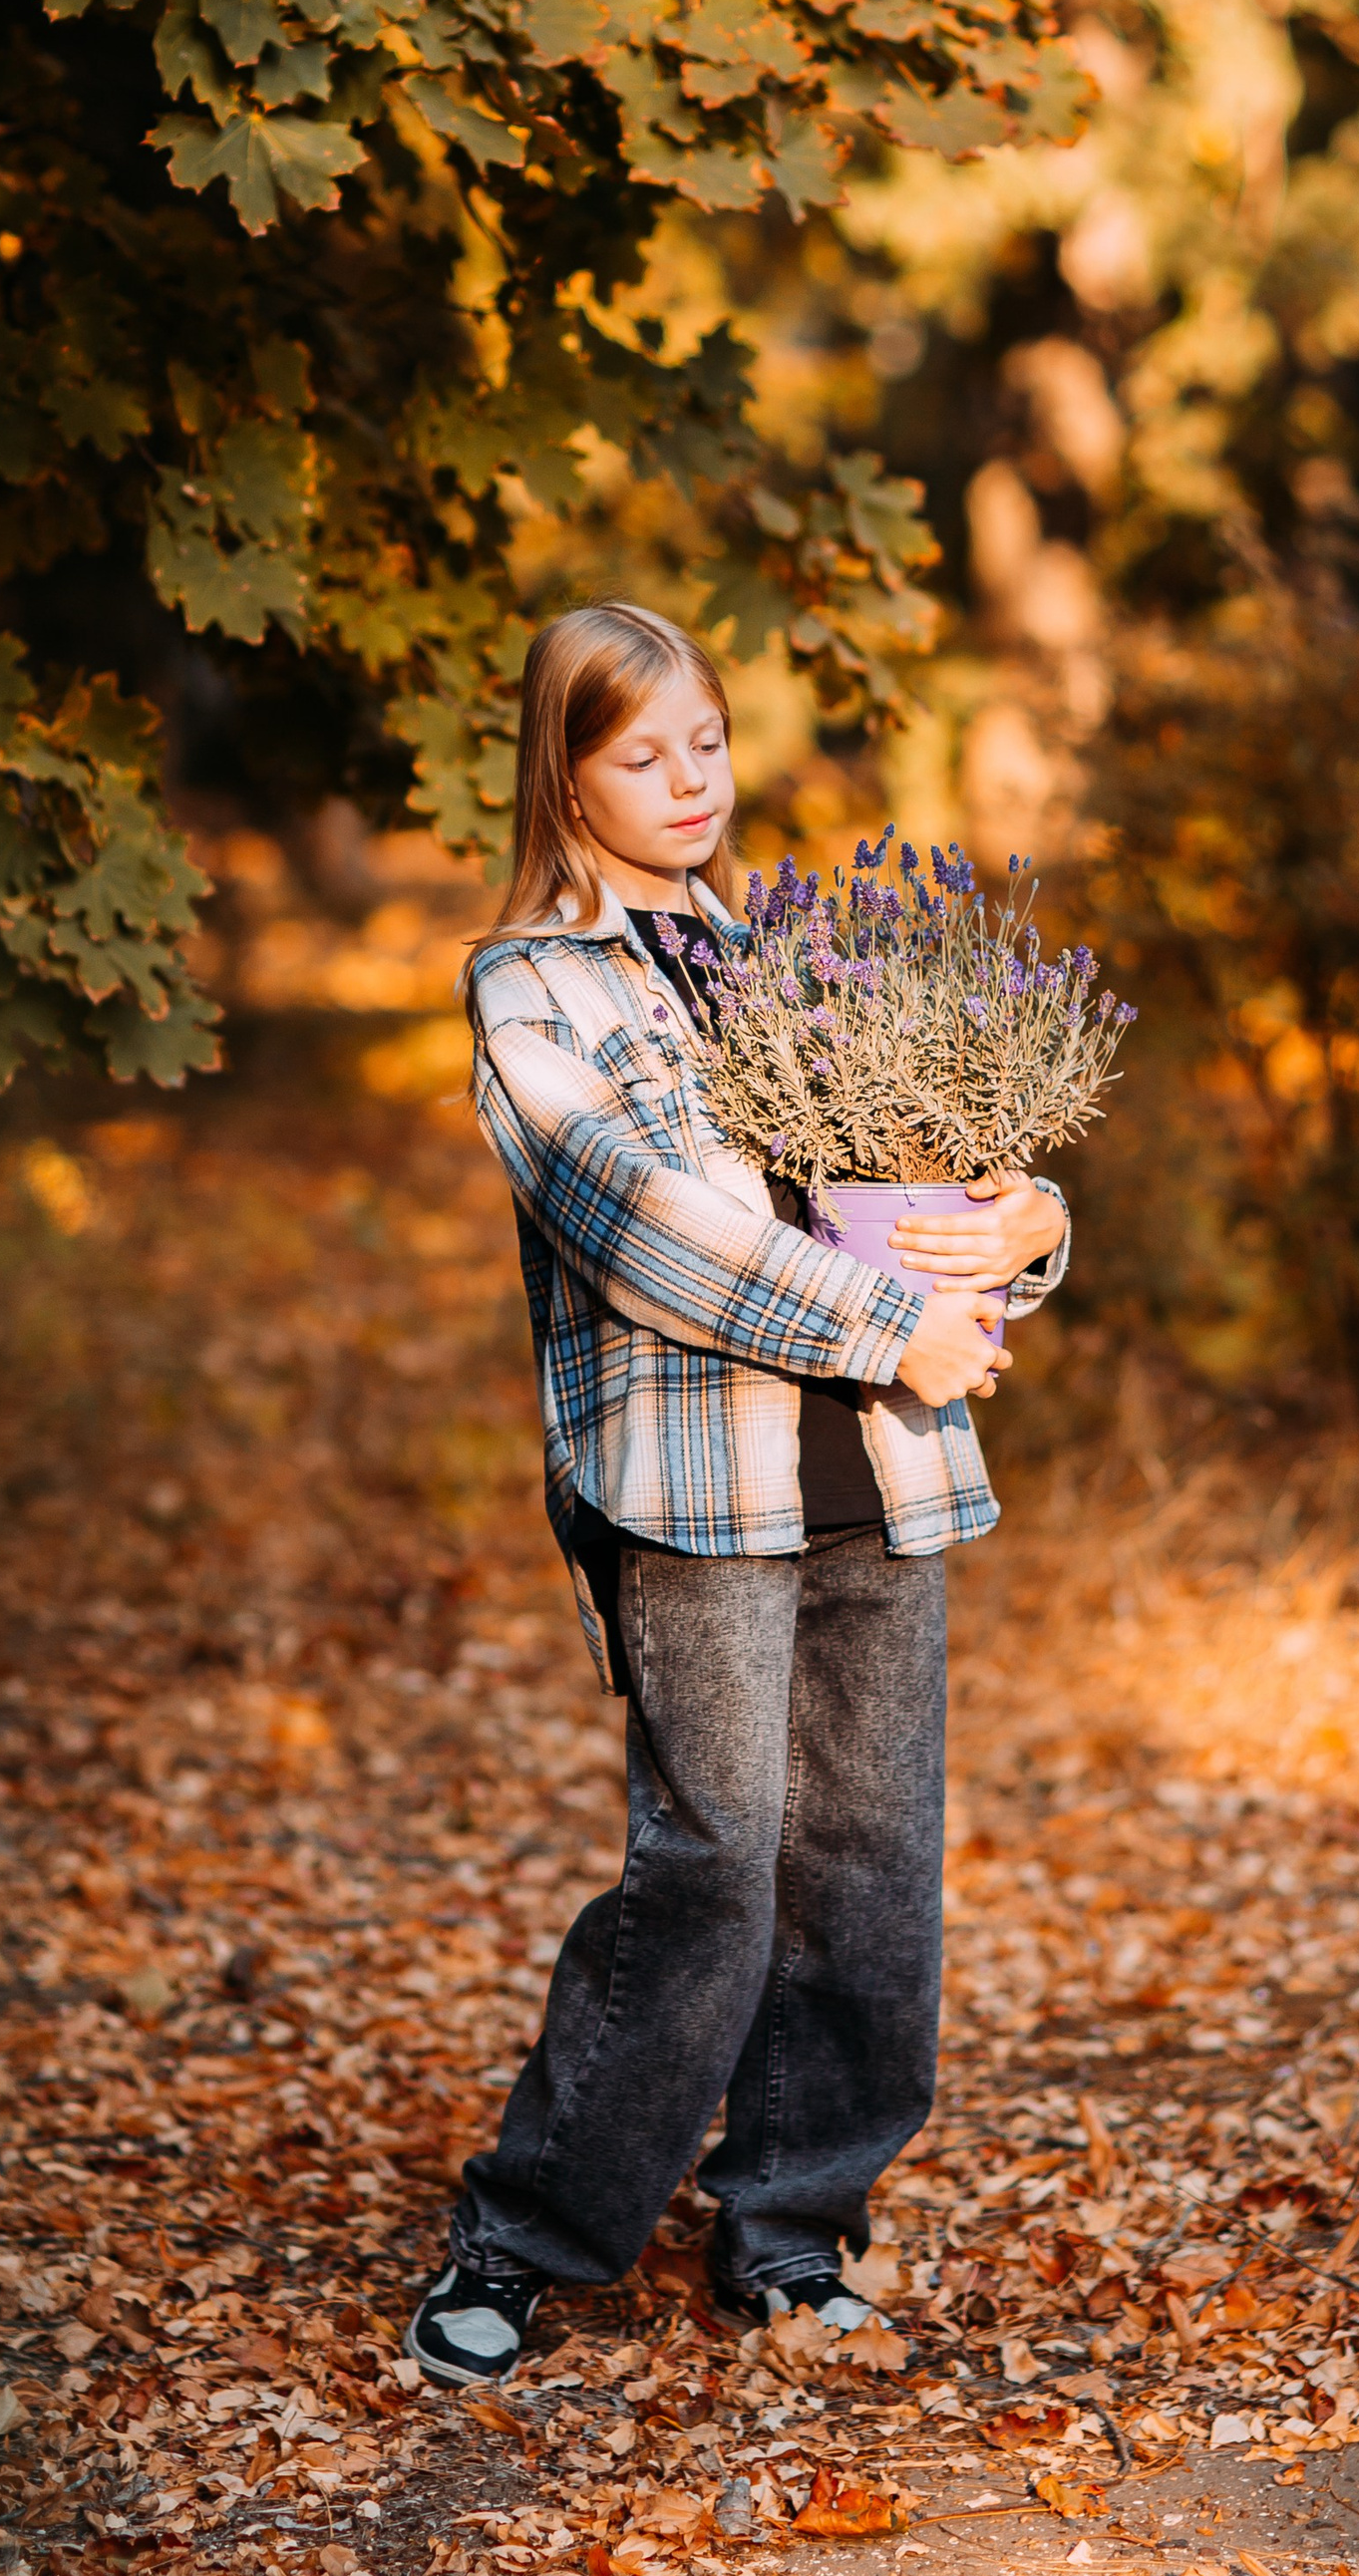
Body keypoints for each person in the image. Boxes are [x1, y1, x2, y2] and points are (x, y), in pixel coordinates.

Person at [404, 599, 1074, 2388]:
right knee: (713, 1868)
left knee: (869, 1872)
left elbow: (950, 1159)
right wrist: (892, 1320)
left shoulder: (793, 949)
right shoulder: (529, 991)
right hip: (696, 1492)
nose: (691, 781)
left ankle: (791, 2232)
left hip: (885, 1467)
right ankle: (529, 2233)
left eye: (707, 742)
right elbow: (646, 1228)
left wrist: (1024, 1233)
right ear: (566, 772)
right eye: (643, 755)